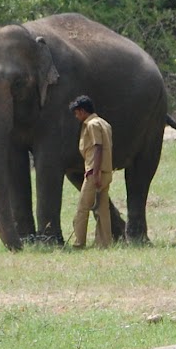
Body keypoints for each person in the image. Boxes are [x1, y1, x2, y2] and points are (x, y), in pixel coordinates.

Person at [69, 95, 114, 249]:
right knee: (103, 209)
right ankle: (105, 242)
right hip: (107, 171)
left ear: (82, 111)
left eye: (77, 112)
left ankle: (79, 242)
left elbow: (98, 147)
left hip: (95, 173)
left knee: (82, 208)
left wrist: (95, 173)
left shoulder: (92, 125)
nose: (76, 116)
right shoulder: (104, 123)